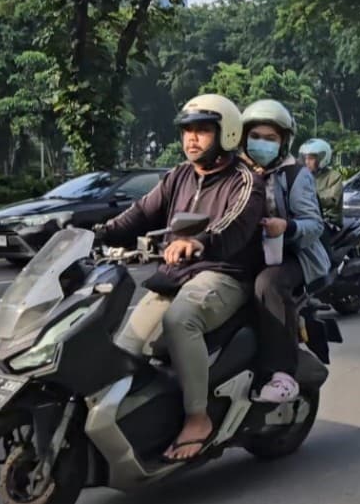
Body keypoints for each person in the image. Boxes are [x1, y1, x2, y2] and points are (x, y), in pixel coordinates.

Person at [95, 94, 264, 462]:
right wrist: (96, 233)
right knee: (126, 345)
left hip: (222, 274)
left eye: (202, 130)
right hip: (175, 277)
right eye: (187, 131)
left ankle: (198, 418)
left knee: (179, 320)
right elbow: (141, 213)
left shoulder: (244, 181)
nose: (192, 138)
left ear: (226, 133)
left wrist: (200, 241)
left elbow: (234, 225)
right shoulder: (179, 176)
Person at [240, 100, 331, 405]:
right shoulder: (236, 172)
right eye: (255, 136)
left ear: (283, 142)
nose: (261, 144)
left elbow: (314, 225)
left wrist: (286, 227)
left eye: (270, 138)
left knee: (268, 284)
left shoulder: (294, 175)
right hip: (245, 253)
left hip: (293, 255)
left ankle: (282, 374)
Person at [299, 138, 344, 227]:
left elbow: (332, 200)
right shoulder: (302, 176)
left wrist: (309, 197)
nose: (307, 162)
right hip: (307, 219)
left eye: (311, 159)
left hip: (328, 221)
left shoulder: (334, 176)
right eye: (305, 158)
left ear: (322, 158)